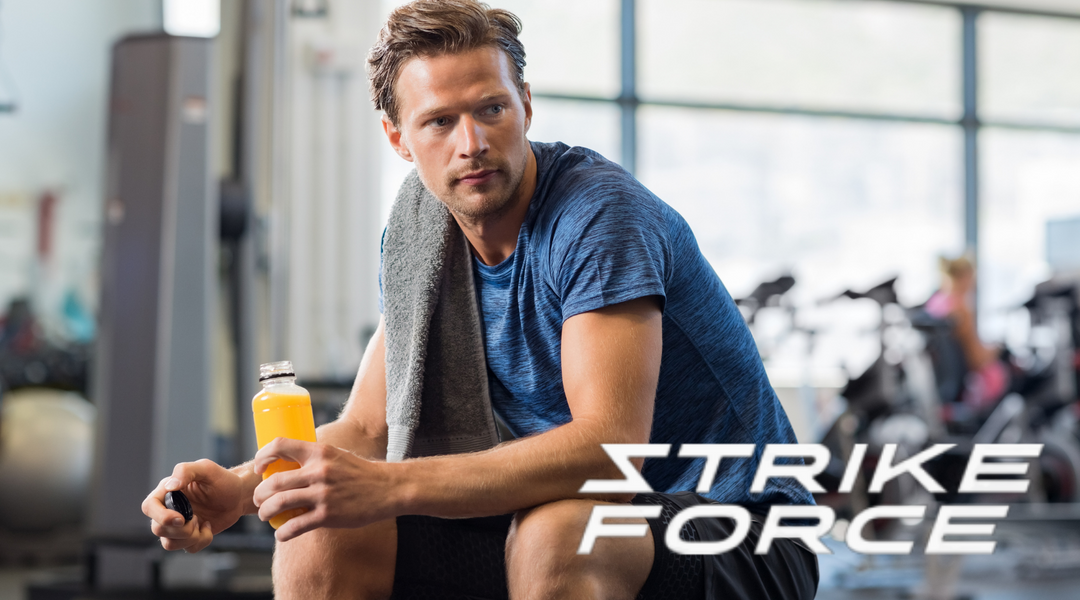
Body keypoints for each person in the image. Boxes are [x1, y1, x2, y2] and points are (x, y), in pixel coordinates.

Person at [143, 1, 818, 598]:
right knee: (322, 529)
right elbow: (367, 430)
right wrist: (241, 488)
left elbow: (608, 452)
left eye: (491, 108)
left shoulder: (598, 217)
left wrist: (389, 486)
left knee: (560, 533)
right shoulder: (418, 232)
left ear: (524, 102)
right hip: (565, 516)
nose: (472, 143)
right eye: (439, 121)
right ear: (399, 139)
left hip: (740, 529)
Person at [924, 254, 1010, 414]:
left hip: (942, 383)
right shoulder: (960, 308)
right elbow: (976, 359)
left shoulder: (935, 302)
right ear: (965, 277)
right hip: (971, 386)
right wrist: (998, 348)